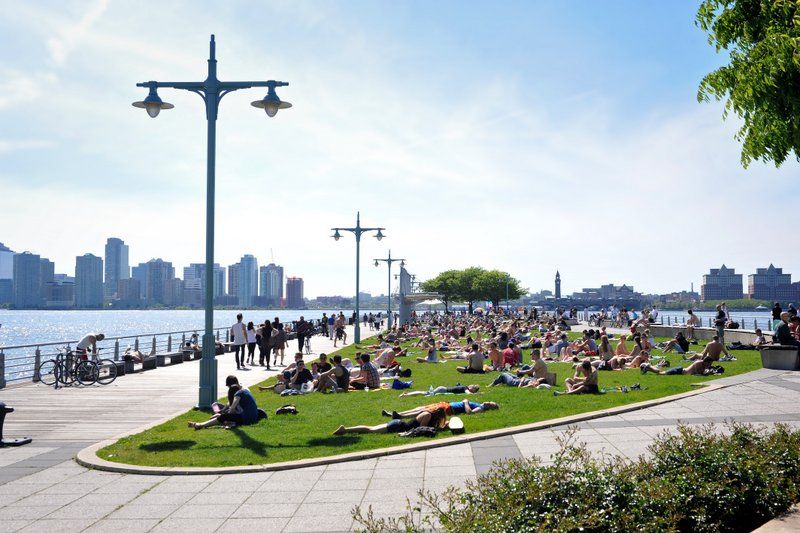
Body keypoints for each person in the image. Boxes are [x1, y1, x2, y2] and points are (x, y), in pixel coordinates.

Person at [189, 376, 260, 429]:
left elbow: (232, 409)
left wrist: (222, 415)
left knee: (224, 417)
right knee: (221, 411)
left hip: (246, 419)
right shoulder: (245, 390)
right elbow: (232, 406)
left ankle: (200, 425)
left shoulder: (237, 395)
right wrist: (223, 411)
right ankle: (225, 421)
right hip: (253, 416)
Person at [333, 410, 438, 436]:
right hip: (397, 426)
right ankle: (345, 430)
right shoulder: (428, 415)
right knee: (370, 430)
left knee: (370, 428)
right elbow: (421, 429)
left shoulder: (426, 413)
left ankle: (346, 429)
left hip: (398, 423)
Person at [386, 400, 498, 420]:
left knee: (423, 412)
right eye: (490, 401)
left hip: (449, 409)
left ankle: (400, 417)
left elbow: (470, 413)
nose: (488, 402)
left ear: (490, 408)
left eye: (491, 404)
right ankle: (396, 414)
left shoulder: (480, 408)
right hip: (446, 405)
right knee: (420, 408)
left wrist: (465, 403)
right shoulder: (480, 404)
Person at [641, 356, 714, 376]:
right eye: (709, 363)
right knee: (661, 373)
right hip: (679, 371)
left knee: (660, 373)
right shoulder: (698, 363)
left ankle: (648, 368)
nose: (710, 365)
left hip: (680, 371)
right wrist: (707, 373)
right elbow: (698, 373)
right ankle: (648, 366)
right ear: (706, 362)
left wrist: (707, 371)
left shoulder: (703, 365)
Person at [398, 384, 480, 397]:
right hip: (443, 390)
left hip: (442, 389)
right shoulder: (465, 388)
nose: (471, 387)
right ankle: (406, 395)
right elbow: (468, 393)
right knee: (424, 393)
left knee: (425, 393)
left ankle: (407, 394)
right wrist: (477, 394)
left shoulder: (463, 386)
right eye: (473, 389)